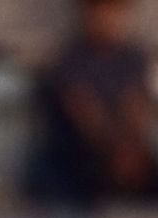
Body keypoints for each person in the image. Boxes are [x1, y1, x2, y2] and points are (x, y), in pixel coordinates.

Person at [26, 0, 158, 205]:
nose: (109, 21)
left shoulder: (134, 58)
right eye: (102, 12)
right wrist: (112, 151)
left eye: (116, 13)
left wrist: (130, 149)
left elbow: (137, 107)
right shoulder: (70, 60)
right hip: (80, 156)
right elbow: (85, 115)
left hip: (125, 150)